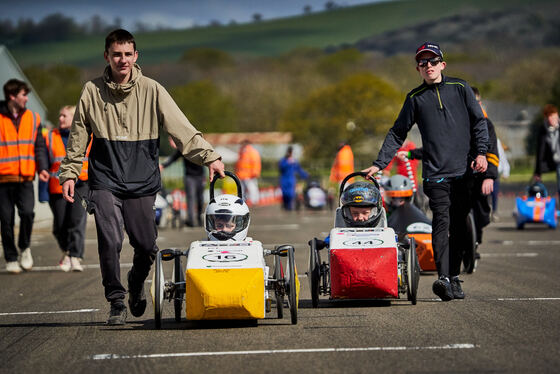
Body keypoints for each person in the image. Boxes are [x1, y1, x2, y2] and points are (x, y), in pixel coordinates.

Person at [58, 29, 225, 325]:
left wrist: (209, 156)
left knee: (147, 246)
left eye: (127, 54)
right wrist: (70, 172)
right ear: (107, 56)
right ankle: (117, 300)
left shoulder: (152, 89)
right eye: (116, 54)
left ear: (136, 57)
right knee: (109, 240)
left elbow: (181, 128)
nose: (122, 60)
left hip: (142, 182)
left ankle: (136, 283)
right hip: (105, 181)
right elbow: (78, 136)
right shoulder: (91, 91)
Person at [362, 42, 488, 301]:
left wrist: (482, 153)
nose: (428, 66)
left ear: (442, 64)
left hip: (464, 173)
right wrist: (380, 163)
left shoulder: (460, 88)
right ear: (418, 69)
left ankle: (454, 277)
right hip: (435, 173)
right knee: (441, 222)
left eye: (432, 61)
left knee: (460, 226)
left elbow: (479, 122)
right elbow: (398, 132)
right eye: (423, 63)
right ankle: (443, 278)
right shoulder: (415, 98)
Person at [0, 79, 49, 274]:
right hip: (3, 180)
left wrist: (42, 168)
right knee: (6, 220)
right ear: (12, 96)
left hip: (26, 178)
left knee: (28, 213)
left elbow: (39, 147)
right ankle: (11, 257)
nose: (27, 99)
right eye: (23, 95)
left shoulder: (34, 118)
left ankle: (25, 248)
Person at [46, 105, 91, 272]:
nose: (60, 119)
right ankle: (66, 251)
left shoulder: (87, 135)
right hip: (58, 187)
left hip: (82, 185)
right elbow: (43, 157)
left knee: (77, 222)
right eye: (60, 116)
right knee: (59, 226)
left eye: (64, 116)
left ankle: (75, 256)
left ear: (74, 118)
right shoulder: (50, 136)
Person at [160, 136, 206, 227]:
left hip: (200, 176)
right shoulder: (181, 149)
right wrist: (163, 166)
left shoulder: (193, 146)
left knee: (200, 198)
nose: (171, 144)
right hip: (189, 177)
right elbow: (173, 158)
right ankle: (191, 221)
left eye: (171, 141)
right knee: (191, 198)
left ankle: (199, 219)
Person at [533, 104, 560, 200]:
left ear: (557, 115)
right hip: (555, 162)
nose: (550, 120)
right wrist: (538, 172)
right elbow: (540, 151)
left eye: (552, 116)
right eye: (548, 117)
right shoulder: (544, 130)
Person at [278, 145, 308, 210]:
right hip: (284, 179)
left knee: (291, 194)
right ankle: (285, 205)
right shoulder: (283, 160)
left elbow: (299, 170)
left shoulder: (295, 161)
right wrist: (288, 162)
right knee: (285, 194)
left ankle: (289, 207)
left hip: (291, 179)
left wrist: (305, 175)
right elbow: (281, 168)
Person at [235, 139, 261, 206]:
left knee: (252, 189)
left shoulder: (252, 151)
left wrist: (255, 173)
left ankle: (254, 202)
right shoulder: (241, 152)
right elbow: (238, 164)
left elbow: (256, 162)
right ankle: (243, 202)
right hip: (241, 175)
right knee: (242, 190)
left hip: (250, 175)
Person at [492, 138, 510, 221]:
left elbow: (502, 156)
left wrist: (506, 170)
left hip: (495, 171)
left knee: (494, 193)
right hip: (482, 171)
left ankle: (494, 211)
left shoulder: (496, 140)